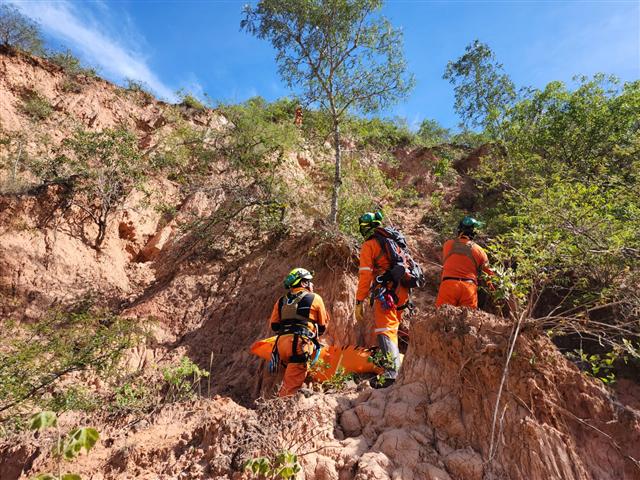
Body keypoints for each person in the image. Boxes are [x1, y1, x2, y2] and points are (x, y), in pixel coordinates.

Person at [354, 212, 409, 387]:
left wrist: (359, 300)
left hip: (387, 291)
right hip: (403, 290)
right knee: (393, 328)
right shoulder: (392, 242)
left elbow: (365, 275)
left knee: (386, 329)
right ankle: (396, 367)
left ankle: (392, 375)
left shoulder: (369, 245)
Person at [269, 267, 330, 397]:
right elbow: (323, 326)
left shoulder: (281, 301)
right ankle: (282, 407)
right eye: (309, 281)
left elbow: (274, 326)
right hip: (299, 344)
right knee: (290, 387)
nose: (312, 283)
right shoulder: (315, 298)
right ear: (303, 283)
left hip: (281, 345)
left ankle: (301, 389)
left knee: (293, 372)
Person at [435, 216, 494, 309]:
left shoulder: (448, 245)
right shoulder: (479, 250)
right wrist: (494, 292)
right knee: (468, 320)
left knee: (442, 318)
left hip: (448, 285)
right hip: (469, 288)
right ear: (474, 233)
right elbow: (489, 275)